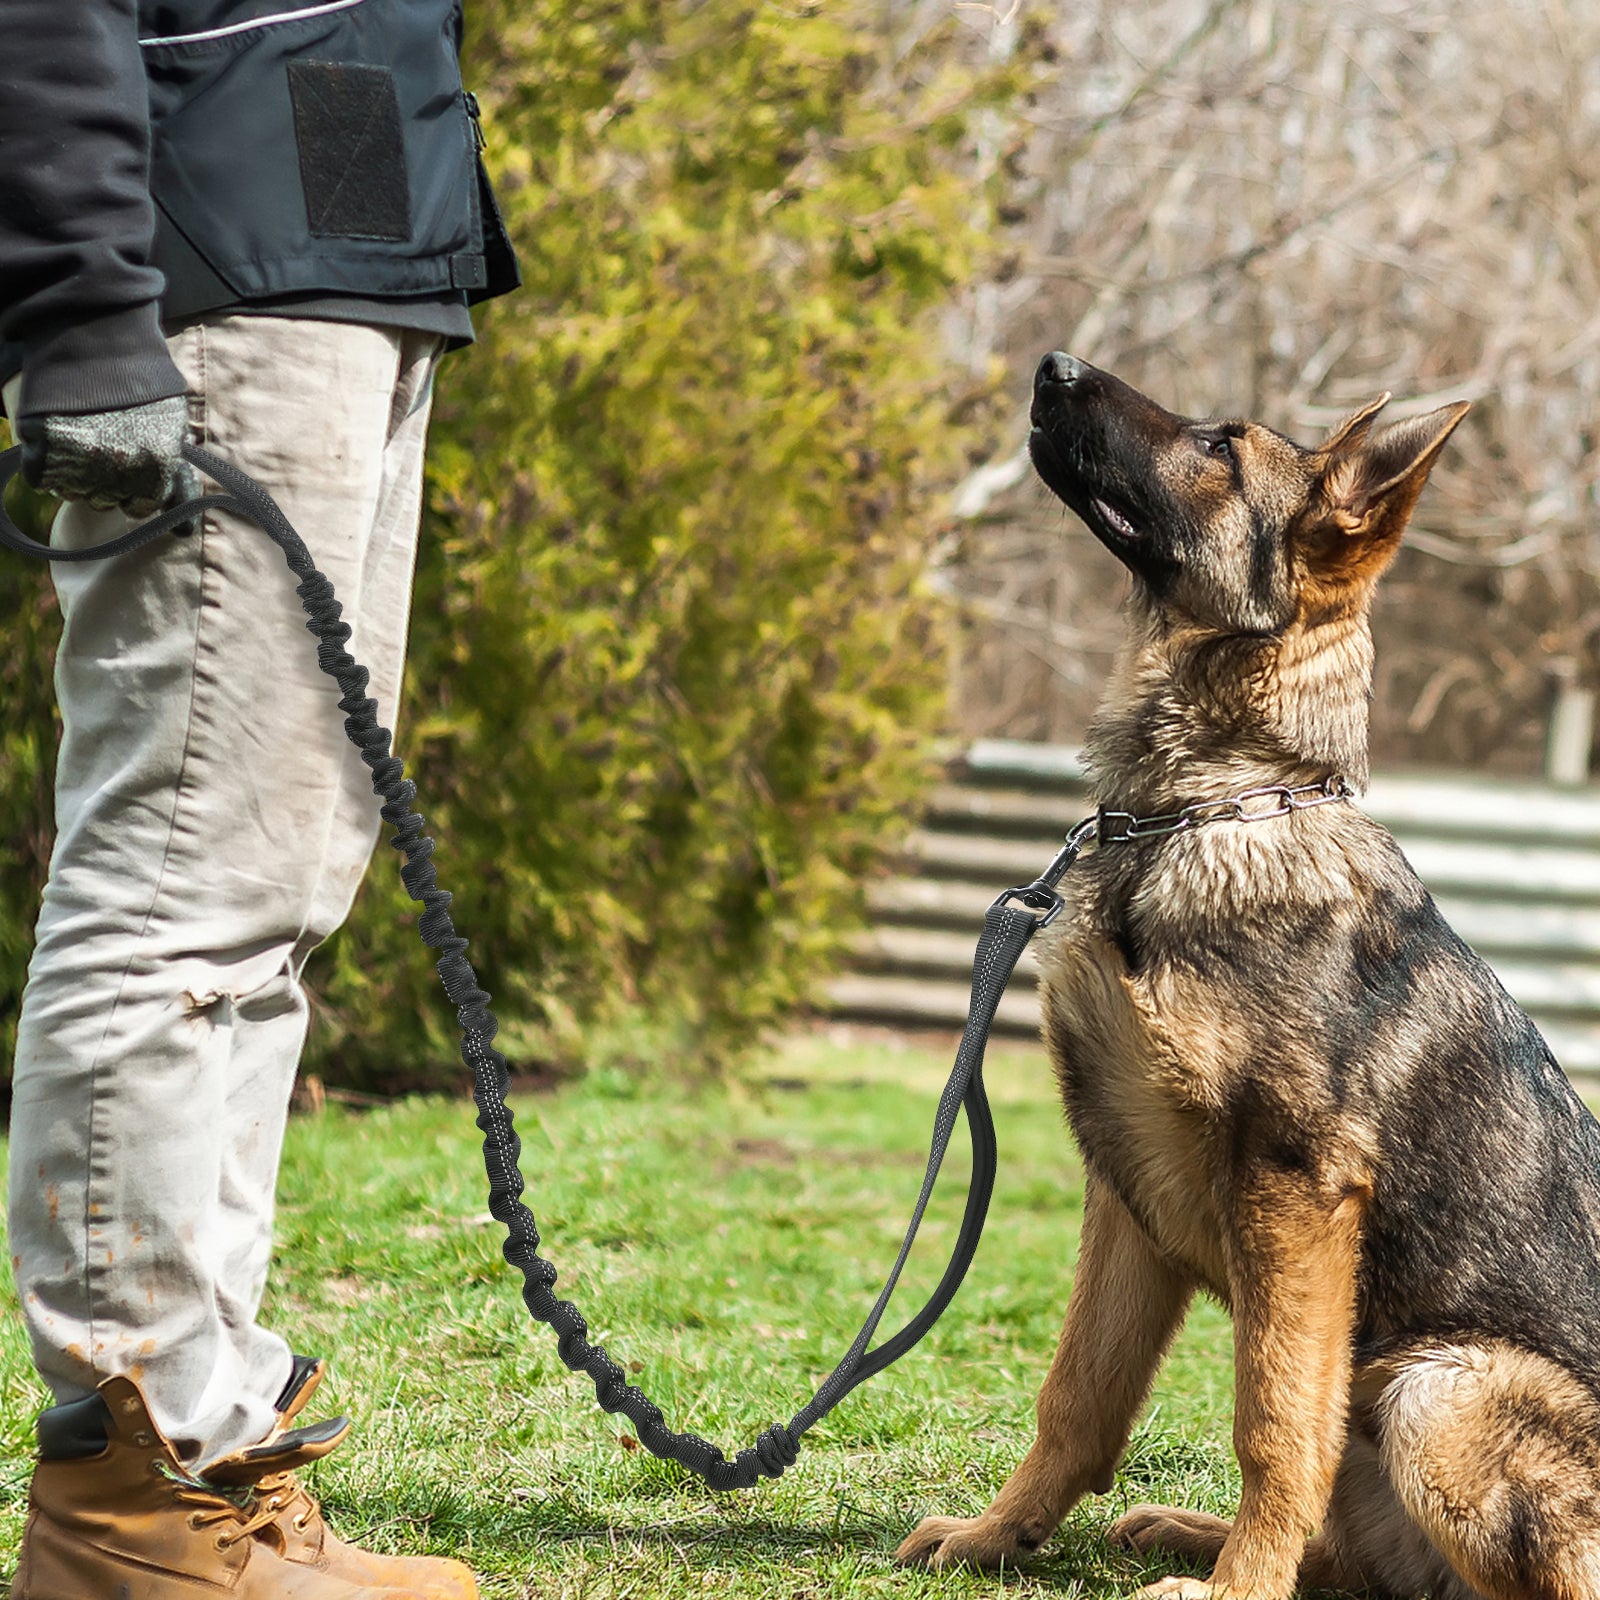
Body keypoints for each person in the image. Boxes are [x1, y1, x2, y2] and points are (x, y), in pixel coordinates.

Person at [0, 2, 519, 1595]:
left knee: (274, 899)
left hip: (358, 255)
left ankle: (214, 1445)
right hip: (212, 271)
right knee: (182, 885)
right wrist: (81, 303)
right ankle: (127, 1491)